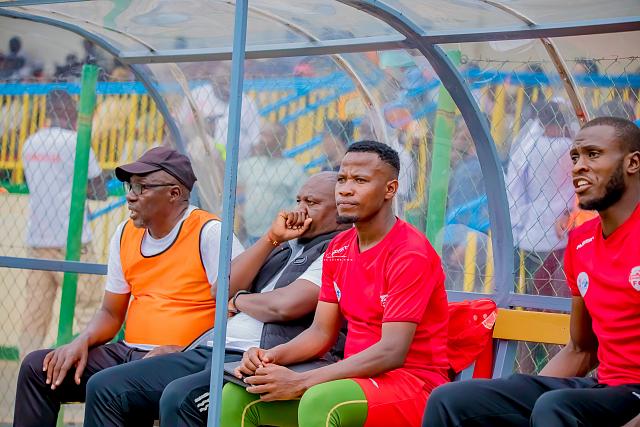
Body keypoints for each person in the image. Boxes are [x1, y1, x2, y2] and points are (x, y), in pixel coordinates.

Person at [80, 171, 349, 426]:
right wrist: (271, 238)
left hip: (254, 357)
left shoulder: (337, 250)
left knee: (181, 398)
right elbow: (222, 288)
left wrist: (239, 300)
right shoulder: (284, 245)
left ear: (340, 212)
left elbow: (284, 306)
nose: (299, 210)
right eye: (298, 201)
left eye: (311, 203)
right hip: (213, 348)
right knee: (105, 387)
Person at [425, 116, 640, 427]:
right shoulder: (580, 242)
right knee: (450, 400)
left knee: (555, 407)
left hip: (633, 397)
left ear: (633, 163)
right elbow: (581, 350)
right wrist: (523, 401)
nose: (578, 167)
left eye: (593, 154)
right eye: (575, 157)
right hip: (603, 391)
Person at [221, 140, 450, 427]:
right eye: (342, 179)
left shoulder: (409, 252)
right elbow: (320, 332)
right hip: (353, 378)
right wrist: (269, 357)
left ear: (390, 189)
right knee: (238, 396)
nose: (345, 189)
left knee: (320, 401)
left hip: (411, 383)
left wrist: (301, 382)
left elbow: (392, 351)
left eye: (360, 180)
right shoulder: (339, 247)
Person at [13, 146, 243, 427]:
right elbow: (111, 313)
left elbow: (240, 311)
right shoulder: (125, 234)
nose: (130, 195)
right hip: (129, 352)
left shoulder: (210, 232)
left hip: (185, 360)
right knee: (38, 369)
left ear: (174, 193)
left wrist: (186, 351)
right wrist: (81, 341)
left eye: (141, 187)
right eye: (129, 186)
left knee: (105, 385)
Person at [19, 89, 106, 358]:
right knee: (89, 309)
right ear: (69, 110)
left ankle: (26, 368)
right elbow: (99, 190)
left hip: (37, 240)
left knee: (35, 314)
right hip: (72, 240)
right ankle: (90, 367)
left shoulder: (30, 143)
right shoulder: (76, 141)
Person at [506, 101, 575, 299]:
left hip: (531, 227)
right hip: (561, 226)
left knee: (533, 285)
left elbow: (516, 181)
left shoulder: (530, 146)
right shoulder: (568, 147)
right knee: (556, 287)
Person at [238, 121, 307, 244]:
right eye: (261, 134)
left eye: (266, 135)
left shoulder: (293, 169)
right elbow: (237, 192)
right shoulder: (249, 164)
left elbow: (300, 203)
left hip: (277, 238)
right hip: (248, 235)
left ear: (280, 139)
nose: (261, 140)